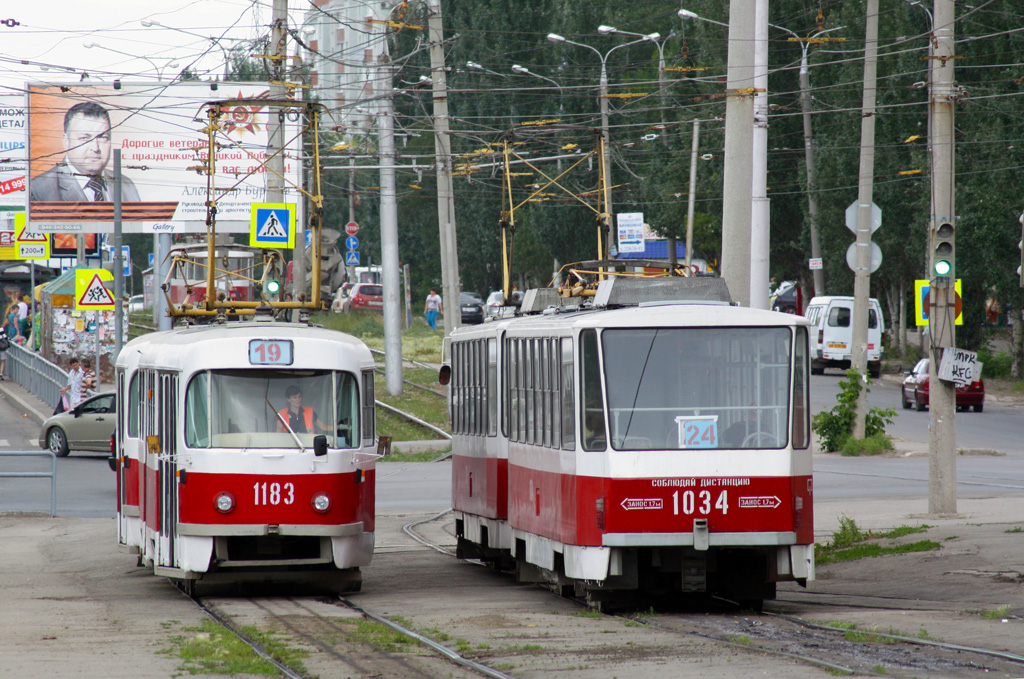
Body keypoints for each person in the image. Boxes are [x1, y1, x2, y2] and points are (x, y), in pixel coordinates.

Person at [30, 101, 141, 203]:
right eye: (84, 138)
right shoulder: (40, 189)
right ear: (66, 141)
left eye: (103, 138)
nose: (95, 148)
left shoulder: (126, 185)